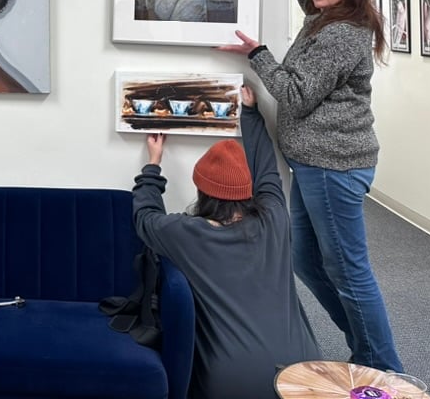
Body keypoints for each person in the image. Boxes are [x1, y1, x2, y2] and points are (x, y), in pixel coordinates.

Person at [218, 0, 403, 372]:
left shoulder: (341, 33)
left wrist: (257, 55)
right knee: (306, 260)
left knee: (349, 272)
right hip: (315, 166)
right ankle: (366, 347)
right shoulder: (325, 17)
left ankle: (382, 366)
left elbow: (296, 94)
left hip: (333, 168)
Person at [132, 86, 321, 399]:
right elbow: (267, 169)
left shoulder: (186, 233)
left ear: (202, 192)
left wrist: (153, 164)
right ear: (247, 191)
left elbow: (144, 216)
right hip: (304, 375)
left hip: (231, 381)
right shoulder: (274, 217)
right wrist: (250, 113)